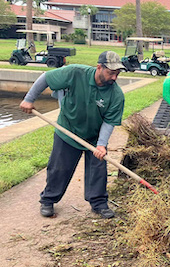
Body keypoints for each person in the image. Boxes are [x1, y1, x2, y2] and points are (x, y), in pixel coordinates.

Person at [19, 51, 126, 219]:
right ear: (99, 67)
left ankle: (98, 203)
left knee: (98, 169)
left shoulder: (116, 95)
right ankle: (48, 200)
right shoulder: (76, 73)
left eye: (117, 74)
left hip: (94, 136)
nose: (114, 77)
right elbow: (46, 78)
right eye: (111, 73)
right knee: (59, 168)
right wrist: (29, 99)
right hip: (67, 130)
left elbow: (109, 122)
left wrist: (101, 144)